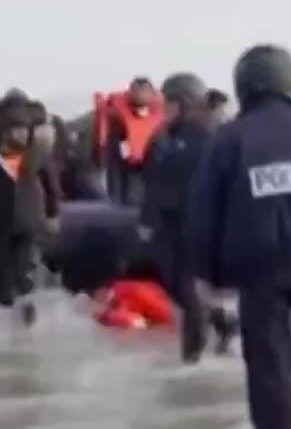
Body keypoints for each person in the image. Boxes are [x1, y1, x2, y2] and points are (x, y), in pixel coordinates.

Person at [188, 46, 291, 429]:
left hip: (258, 271)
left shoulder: (228, 140)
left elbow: (204, 210)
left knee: (269, 373)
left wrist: (204, 274)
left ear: (244, 84)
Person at [140, 73, 235, 361]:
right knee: (176, 287)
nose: (163, 108)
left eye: (167, 102)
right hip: (166, 225)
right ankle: (223, 321)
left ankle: (191, 360)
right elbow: (152, 181)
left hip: (195, 226)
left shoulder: (211, 136)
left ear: (184, 102)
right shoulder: (164, 137)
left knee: (189, 290)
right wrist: (147, 219)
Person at [0, 96, 60, 325]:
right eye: (16, 131)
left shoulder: (35, 156)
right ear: (4, 132)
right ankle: (7, 319)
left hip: (30, 223)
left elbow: (51, 185)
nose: (22, 136)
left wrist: (53, 214)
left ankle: (27, 325)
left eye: (25, 131)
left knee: (26, 277)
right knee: (2, 285)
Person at [97, 77, 164, 206]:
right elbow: (119, 142)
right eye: (136, 91)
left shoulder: (161, 113)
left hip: (151, 166)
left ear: (151, 93)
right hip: (126, 163)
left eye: (144, 91)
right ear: (130, 92)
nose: (140, 95)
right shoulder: (116, 113)